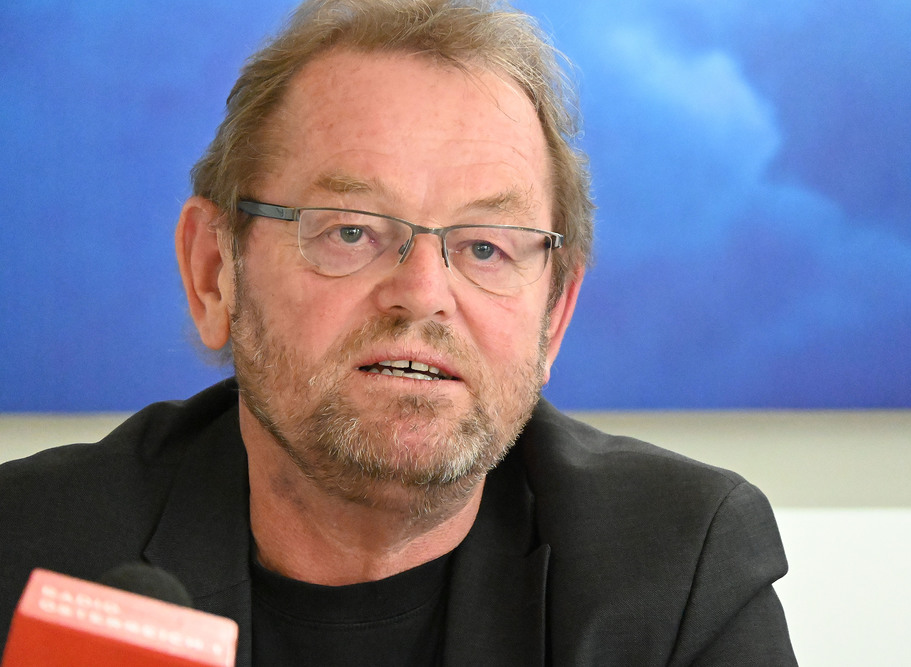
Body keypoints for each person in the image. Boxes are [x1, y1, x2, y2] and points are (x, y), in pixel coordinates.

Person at [0, 0, 796, 664]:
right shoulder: (25, 553)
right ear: (216, 272)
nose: (422, 296)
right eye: (350, 231)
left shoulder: (675, 574)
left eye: (485, 247)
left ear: (554, 316)